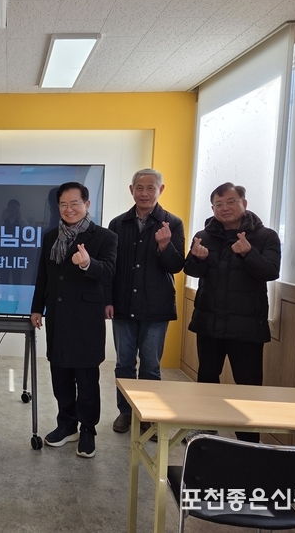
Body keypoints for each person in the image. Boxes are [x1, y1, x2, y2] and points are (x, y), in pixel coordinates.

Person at [184, 182, 281, 443]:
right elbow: (191, 271)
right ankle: (205, 431)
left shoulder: (265, 236)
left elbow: (271, 271)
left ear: (244, 204)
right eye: (218, 204)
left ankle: (248, 441)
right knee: (206, 379)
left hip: (246, 328)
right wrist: (197, 258)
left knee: (248, 386)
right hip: (209, 322)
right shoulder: (204, 235)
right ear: (212, 208)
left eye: (230, 202)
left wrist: (249, 253)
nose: (224, 208)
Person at [31, 182, 117, 458]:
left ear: (87, 205)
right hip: (58, 317)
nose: (69, 209)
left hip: (85, 319)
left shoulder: (104, 237)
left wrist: (87, 263)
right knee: (60, 376)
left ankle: (88, 429)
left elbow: (109, 272)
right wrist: (37, 308)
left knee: (87, 379)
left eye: (75, 203)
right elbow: (43, 275)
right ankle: (67, 425)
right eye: (63, 204)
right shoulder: (50, 237)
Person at [105, 169, 185, 435]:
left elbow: (176, 266)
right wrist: (108, 300)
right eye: (139, 188)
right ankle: (126, 412)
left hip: (156, 308)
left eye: (151, 188)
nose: (144, 193)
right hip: (123, 305)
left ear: (161, 190)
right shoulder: (118, 224)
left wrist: (165, 246)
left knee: (151, 365)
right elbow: (110, 267)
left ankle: (148, 416)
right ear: (131, 190)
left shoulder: (172, 223)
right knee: (124, 364)